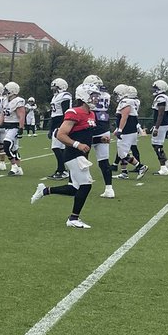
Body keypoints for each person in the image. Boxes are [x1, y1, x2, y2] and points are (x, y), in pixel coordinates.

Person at [30, 84, 100, 228]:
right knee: (86, 185)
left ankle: (44, 190)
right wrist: (77, 145)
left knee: (74, 188)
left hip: (82, 155)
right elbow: (61, 135)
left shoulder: (91, 114)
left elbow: (85, 137)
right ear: (84, 96)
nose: (96, 98)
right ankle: (73, 218)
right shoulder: (74, 112)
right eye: (93, 95)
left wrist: (99, 140)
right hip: (73, 154)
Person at [113, 85, 147, 179]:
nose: (116, 96)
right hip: (130, 130)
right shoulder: (130, 101)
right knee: (121, 152)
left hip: (127, 131)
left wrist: (120, 130)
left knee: (123, 153)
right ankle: (124, 172)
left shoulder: (126, 101)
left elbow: (125, 116)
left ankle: (140, 166)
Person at [0, 81, 26, 175]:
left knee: (6, 145)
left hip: (14, 126)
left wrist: (21, 128)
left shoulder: (18, 101)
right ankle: (19, 168)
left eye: (6, 90)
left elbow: (21, 116)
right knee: (14, 149)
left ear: (12, 91)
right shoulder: (5, 100)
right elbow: (3, 113)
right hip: (6, 126)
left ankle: (14, 166)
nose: (5, 92)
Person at [150, 79, 168, 176]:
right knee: (156, 144)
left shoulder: (161, 98)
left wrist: (156, 127)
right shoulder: (164, 97)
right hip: (165, 123)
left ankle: (163, 167)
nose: (153, 90)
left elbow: (160, 114)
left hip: (162, 124)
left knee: (157, 145)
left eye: (155, 88)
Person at [47, 78, 72, 179]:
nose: (54, 90)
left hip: (62, 122)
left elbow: (65, 112)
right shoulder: (55, 97)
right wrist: (51, 128)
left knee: (56, 147)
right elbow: (54, 114)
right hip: (56, 122)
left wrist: (63, 127)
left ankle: (62, 170)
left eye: (56, 88)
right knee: (60, 148)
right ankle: (62, 169)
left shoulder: (65, 95)